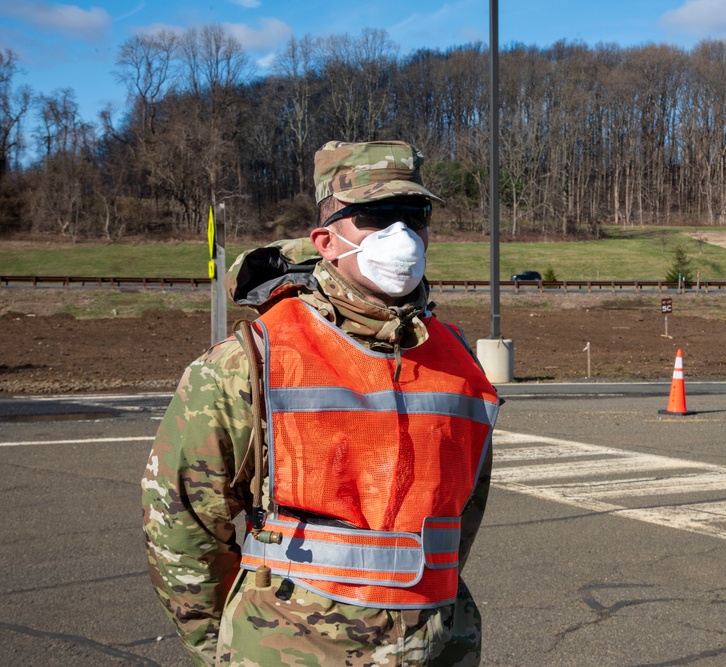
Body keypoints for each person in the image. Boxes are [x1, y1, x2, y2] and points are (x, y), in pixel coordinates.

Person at [142, 140, 500, 666]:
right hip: (289, 651)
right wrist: (222, 646)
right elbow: (181, 522)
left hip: (441, 647)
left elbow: (461, 514)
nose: (399, 234)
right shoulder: (253, 358)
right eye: (375, 217)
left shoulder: (459, 361)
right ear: (326, 241)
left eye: (413, 214)